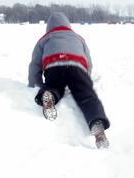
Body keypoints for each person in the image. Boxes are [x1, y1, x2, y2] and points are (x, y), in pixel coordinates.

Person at [28, 12, 110, 149]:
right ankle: (97, 124)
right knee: (87, 96)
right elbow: (88, 61)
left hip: (53, 66)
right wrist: (85, 79)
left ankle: (48, 95)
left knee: (53, 85)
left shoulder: (45, 39)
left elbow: (35, 65)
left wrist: (35, 84)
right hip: (76, 66)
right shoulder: (78, 38)